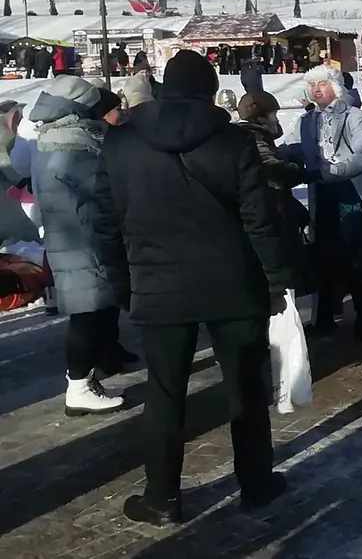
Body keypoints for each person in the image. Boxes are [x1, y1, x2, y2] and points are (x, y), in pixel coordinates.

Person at [93, 50, 294, 525]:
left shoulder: (121, 142)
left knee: (165, 394)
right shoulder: (232, 140)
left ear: (164, 87)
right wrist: (276, 280)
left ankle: (162, 498)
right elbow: (259, 220)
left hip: (157, 283)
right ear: (209, 91)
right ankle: (257, 483)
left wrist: (124, 287)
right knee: (244, 387)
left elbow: (105, 224)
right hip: (231, 282)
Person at [10, 76, 133, 414]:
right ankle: (78, 385)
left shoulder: (52, 135)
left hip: (73, 234)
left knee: (93, 309)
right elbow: (97, 186)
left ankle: (93, 373)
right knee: (86, 313)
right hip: (82, 235)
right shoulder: (72, 141)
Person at [282, 65, 362, 339]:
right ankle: (324, 317)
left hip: (349, 194)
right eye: (313, 84)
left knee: (353, 255)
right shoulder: (305, 120)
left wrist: (334, 170)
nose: (317, 89)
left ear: (336, 86)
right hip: (320, 194)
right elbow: (292, 148)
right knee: (323, 256)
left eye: (323, 83)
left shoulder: (353, 115)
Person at [238, 91, 313, 285]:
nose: (276, 119)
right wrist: (298, 168)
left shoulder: (257, 135)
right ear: (261, 116)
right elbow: (273, 170)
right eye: (273, 114)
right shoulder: (253, 136)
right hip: (269, 213)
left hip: (271, 208)